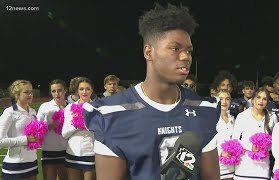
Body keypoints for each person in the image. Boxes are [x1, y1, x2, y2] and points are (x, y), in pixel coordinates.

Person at [83, 2, 220, 180]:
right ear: (149, 52)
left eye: (189, 51)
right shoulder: (111, 115)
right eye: (175, 48)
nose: (186, 56)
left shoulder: (203, 110)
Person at [232, 88, 278, 179]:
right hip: (243, 167)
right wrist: (250, 146)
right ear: (253, 99)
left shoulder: (272, 117)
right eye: (258, 97)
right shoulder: (242, 116)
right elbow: (235, 140)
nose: (261, 101)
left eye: (264, 99)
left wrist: (265, 147)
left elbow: (276, 142)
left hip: (263, 168)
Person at [0, 80, 39, 180]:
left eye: (31, 92)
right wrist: (26, 140)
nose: (30, 94)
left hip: (32, 162)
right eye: (26, 92)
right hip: (15, 165)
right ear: (17, 94)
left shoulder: (33, 111)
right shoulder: (9, 112)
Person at [62, 77, 95, 180]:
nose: (84, 92)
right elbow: (64, 134)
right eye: (81, 89)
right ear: (77, 91)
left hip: (90, 152)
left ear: (92, 90)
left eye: (87, 89)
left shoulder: (96, 107)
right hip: (73, 152)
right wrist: (76, 124)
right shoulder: (69, 108)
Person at [37, 79, 68, 180]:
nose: (57, 93)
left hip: (67, 151)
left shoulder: (71, 107)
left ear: (65, 90)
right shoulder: (45, 107)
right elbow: (37, 129)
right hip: (49, 151)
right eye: (53, 91)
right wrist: (49, 126)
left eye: (59, 90)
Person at [214, 90, 235, 180]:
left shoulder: (233, 119)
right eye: (221, 99)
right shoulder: (211, 118)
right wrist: (220, 152)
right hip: (216, 166)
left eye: (227, 99)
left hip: (231, 167)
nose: (224, 102)